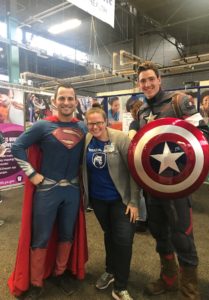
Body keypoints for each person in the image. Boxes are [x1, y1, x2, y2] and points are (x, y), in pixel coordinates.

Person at [136, 62, 209, 300]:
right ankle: (169, 280)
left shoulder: (179, 102)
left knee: (182, 237)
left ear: (160, 80)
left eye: (150, 79)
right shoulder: (141, 112)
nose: (147, 84)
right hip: (152, 186)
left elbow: (204, 135)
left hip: (177, 186)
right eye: (142, 81)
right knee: (159, 234)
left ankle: (190, 291)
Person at [8, 83, 88, 299]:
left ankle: (59, 273)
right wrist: (32, 174)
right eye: (62, 98)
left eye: (70, 98)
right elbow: (17, 147)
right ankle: (35, 283)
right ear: (54, 101)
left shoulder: (83, 127)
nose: (66, 102)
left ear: (76, 101)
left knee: (66, 234)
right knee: (41, 237)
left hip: (71, 191)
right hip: (47, 190)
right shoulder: (42, 126)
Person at [82, 107, 140, 300]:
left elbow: (135, 171)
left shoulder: (121, 139)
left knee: (123, 241)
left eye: (99, 122)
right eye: (91, 123)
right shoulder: (87, 140)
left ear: (106, 121)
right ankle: (110, 270)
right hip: (99, 201)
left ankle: (121, 286)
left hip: (121, 201)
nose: (95, 126)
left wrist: (134, 201)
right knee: (109, 235)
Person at [128, 99, 148, 232]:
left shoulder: (135, 123)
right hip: (152, 161)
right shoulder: (150, 123)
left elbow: (131, 139)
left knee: (139, 192)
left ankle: (141, 220)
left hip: (139, 160)